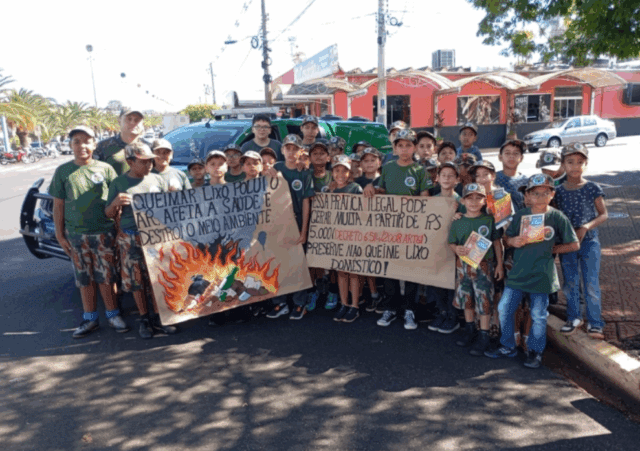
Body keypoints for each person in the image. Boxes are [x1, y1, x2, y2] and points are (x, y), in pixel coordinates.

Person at [485, 173, 579, 368]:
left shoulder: (557, 217)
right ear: (527, 196)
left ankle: (535, 352)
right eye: (535, 193)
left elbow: (574, 244)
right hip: (518, 274)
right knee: (504, 309)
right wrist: (512, 241)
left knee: (538, 315)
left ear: (552, 194)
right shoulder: (521, 215)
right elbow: (505, 240)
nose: (540, 197)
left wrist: (553, 248)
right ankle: (508, 345)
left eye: (545, 193)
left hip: (542, 276)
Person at [50, 126, 127, 338]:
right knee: (84, 278)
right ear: (70, 145)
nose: (82, 145)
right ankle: (90, 318)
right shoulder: (63, 172)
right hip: (77, 236)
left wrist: (119, 229)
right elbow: (58, 205)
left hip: (105, 232)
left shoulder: (106, 169)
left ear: (94, 144)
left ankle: (113, 314)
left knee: (107, 277)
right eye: (76, 141)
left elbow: (116, 204)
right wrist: (60, 234)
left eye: (86, 141)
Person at [105, 141, 178, 339]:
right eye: (143, 162)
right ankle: (144, 319)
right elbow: (108, 213)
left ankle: (159, 317)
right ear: (130, 162)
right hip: (131, 237)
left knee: (157, 278)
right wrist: (116, 203)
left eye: (150, 161)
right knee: (137, 281)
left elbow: (168, 209)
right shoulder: (119, 183)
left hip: (155, 236)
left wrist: (173, 197)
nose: (149, 165)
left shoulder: (157, 179)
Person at [364, 129, 431, 330]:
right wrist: (371, 187)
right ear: (394, 148)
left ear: (414, 148)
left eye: (408, 145)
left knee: (410, 267)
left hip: (411, 228)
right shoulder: (388, 168)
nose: (404, 149)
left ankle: (409, 309)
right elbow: (381, 191)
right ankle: (390, 307)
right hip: (389, 228)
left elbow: (425, 198)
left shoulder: (420, 170)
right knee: (389, 267)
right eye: (400, 145)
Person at [555, 143, 608, 339]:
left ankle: (595, 322)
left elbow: (603, 214)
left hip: (589, 242)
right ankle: (574, 317)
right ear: (563, 165)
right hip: (567, 244)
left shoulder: (592, 188)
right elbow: (554, 217)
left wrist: (586, 227)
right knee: (570, 282)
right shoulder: (558, 191)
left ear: (586, 164)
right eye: (570, 162)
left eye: (580, 162)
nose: (575, 166)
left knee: (591, 283)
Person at [449, 183, 504, 356]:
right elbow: (452, 242)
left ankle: (484, 335)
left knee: (484, 299)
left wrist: (500, 264)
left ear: (484, 201)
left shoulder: (488, 220)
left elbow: (497, 243)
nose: (473, 202)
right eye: (469, 198)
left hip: (484, 266)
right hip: (463, 266)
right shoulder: (458, 221)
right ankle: (470, 329)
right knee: (467, 298)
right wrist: (456, 249)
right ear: (463, 201)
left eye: (478, 198)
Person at [266, 134, 315, 320]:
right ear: (282, 150)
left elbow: (306, 202)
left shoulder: (305, 172)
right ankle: (280, 302)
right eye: (288, 148)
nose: (291, 152)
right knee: (278, 263)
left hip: (296, 220)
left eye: (295, 149)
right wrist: (266, 172)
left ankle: (299, 303)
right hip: (277, 222)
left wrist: (304, 230)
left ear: (301, 151)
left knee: (297, 264)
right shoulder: (276, 168)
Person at [428, 162, 464, 335]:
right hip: (436, 248)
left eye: (451, 175)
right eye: (443, 175)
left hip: (454, 250)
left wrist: (458, 217)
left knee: (452, 284)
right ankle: (442, 312)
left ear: (457, 179)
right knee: (437, 282)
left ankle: (452, 316)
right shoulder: (432, 200)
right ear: (437, 178)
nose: (447, 178)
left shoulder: (461, 202)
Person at [330, 155, 365, 323]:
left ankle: (354, 306)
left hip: (353, 236)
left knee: (353, 271)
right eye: (337, 170)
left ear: (350, 173)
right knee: (341, 271)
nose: (340, 174)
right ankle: (344, 303)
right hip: (336, 237)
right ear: (332, 172)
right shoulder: (329, 190)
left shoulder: (355, 188)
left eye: (344, 171)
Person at [354, 147, 383, 312]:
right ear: (361, 164)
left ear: (379, 162)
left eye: (373, 160)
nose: (370, 163)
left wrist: (378, 190)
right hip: (361, 228)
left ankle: (378, 294)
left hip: (381, 228)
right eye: (365, 161)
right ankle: (367, 294)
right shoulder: (356, 182)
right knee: (363, 261)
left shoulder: (385, 179)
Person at [94, 108, 145, 176]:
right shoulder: (102, 147)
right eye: (129, 119)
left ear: (142, 124)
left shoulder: (150, 147)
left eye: (137, 120)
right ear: (119, 121)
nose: (132, 123)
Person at [495, 140, 528, 212]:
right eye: (507, 153)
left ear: (521, 158)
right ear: (500, 157)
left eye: (516, 153)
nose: (512, 156)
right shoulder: (492, 179)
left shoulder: (527, 182)